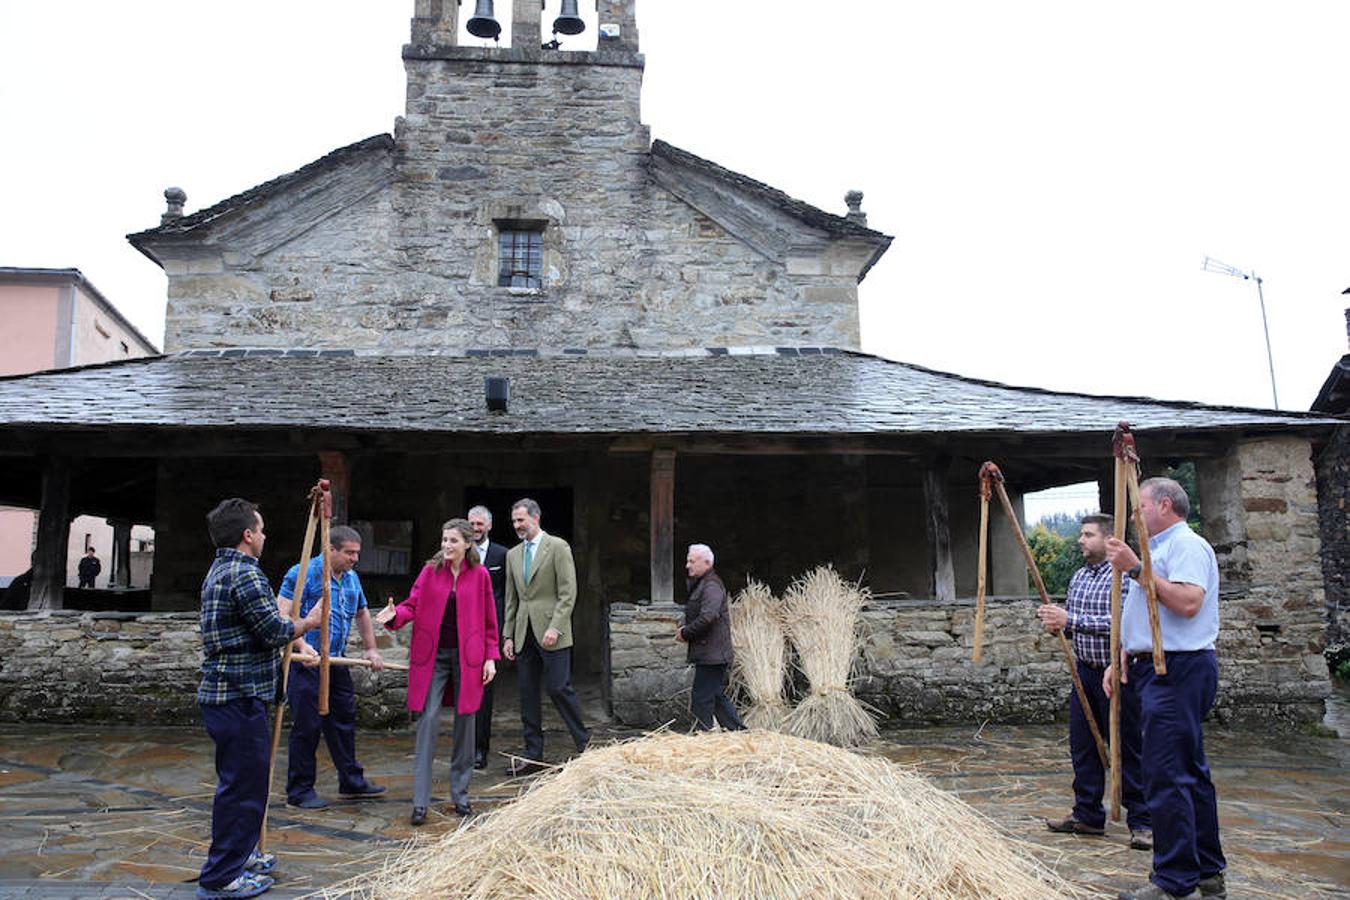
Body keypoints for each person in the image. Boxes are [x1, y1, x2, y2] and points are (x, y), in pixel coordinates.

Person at [1104, 478, 1227, 900]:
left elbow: (1188, 603)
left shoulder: (1186, 546)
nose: (1135, 515)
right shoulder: (1156, 548)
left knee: (1167, 774)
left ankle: (1175, 882)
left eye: (1139, 506)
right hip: (1151, 666)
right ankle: (1207, 872)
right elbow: (1142, 610)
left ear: (1165, 504)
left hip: (1177, 668)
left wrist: (1137, 568)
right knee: (1188, 772)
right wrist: (1121, 652)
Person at [196, 498, 324, 900]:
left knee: (242, 785)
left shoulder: (222, 569)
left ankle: (240, 854)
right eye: (262, 529)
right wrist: (310, 621)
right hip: (237, 696)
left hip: (232, 695)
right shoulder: (244, 575)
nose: (266, 535)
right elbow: (272, 630)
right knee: (242, 789)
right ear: (247, 535)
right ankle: (221, 878)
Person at [1036, 514, 1151, 849]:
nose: (1080, 540)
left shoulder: (1125, 578)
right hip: (1084, 671)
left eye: (1088, 535)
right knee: (1084, 746)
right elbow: (1074, 625)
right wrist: (1058, 623)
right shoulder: (1079, 578)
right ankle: (1087, 814)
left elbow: (1120, 623)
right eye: (1081, 535)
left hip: (1119, 672)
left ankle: (1142, 821)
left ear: (1108, 538)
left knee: (1128, 746)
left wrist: (1072, 619)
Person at [376, 518, 499, 825]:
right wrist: (394, 615)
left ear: (467, 544)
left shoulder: (480, 574)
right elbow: (412, 605)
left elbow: (489, 620)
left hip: (468, 658)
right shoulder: (431, 571)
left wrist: (490, 658)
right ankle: (420, 802)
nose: (446, 546)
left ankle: (461, 794)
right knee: (428, 721)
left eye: (453, 541)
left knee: (466, 722)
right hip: (433, 657)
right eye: (444, 540)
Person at [277, 525, 385, 809]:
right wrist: (300, 646)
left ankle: (351, 781)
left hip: (336, 660)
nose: (354, 559)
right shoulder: (301, 573)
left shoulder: (351, 579)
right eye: (349, 553)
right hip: (306, 662)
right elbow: (282, 615)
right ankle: (299, 791)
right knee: (307, 726)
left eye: (357, 553)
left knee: (344, 721)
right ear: (331, 550)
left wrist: (371, 648)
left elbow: (362, 613)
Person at [501, 498, 589, 774]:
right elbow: (512, 599)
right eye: (514, 521)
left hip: (552, 632)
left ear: (535, 518)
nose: (517, 525)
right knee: (527, 693)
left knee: (558, 687)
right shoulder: (513, 554)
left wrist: (556, 626)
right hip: (523, 632)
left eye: (521, 520)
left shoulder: (558, 547)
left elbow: (568, 592)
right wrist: (508, 635)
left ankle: (586, 745)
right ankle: (532, 753)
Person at [676, 543, 745, 732]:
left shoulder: (711, 585)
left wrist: (686, 632)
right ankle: (739, 732)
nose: (687, 565)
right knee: (714, 695)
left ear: (706, 563)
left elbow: (709, 616)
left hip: (713, 654)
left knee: (702, 697)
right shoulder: (703, 584)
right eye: (687, 561)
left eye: (692, 561)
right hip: (711, 652)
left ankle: (703, 735)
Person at [467, 505, 508, 770]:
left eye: (480, 524)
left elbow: (507, 595)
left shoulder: (502, 555)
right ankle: (464, 747)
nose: (475, 528)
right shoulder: (458, 553)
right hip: (462, 632)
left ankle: (480, 749)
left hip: (488, 633)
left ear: (489, 526)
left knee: (484, 693)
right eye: (472, 523)